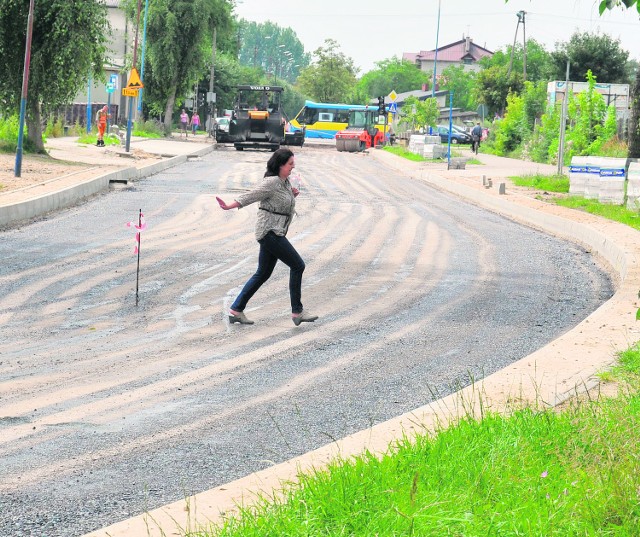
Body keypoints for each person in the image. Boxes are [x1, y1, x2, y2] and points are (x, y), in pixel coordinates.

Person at [216, 148, 318, 327]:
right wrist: (229, 206)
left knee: (263, 273)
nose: (292, 168)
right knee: (298, 265)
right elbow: (251, 195)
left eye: (293, 165)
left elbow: (280, 201)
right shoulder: (271, 182)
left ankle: (236, 310)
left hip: (275, 231)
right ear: (280, 165)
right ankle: (297, 312)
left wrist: (291, 195)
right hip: (269, 232)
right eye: (290, 165)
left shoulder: (284, 182)